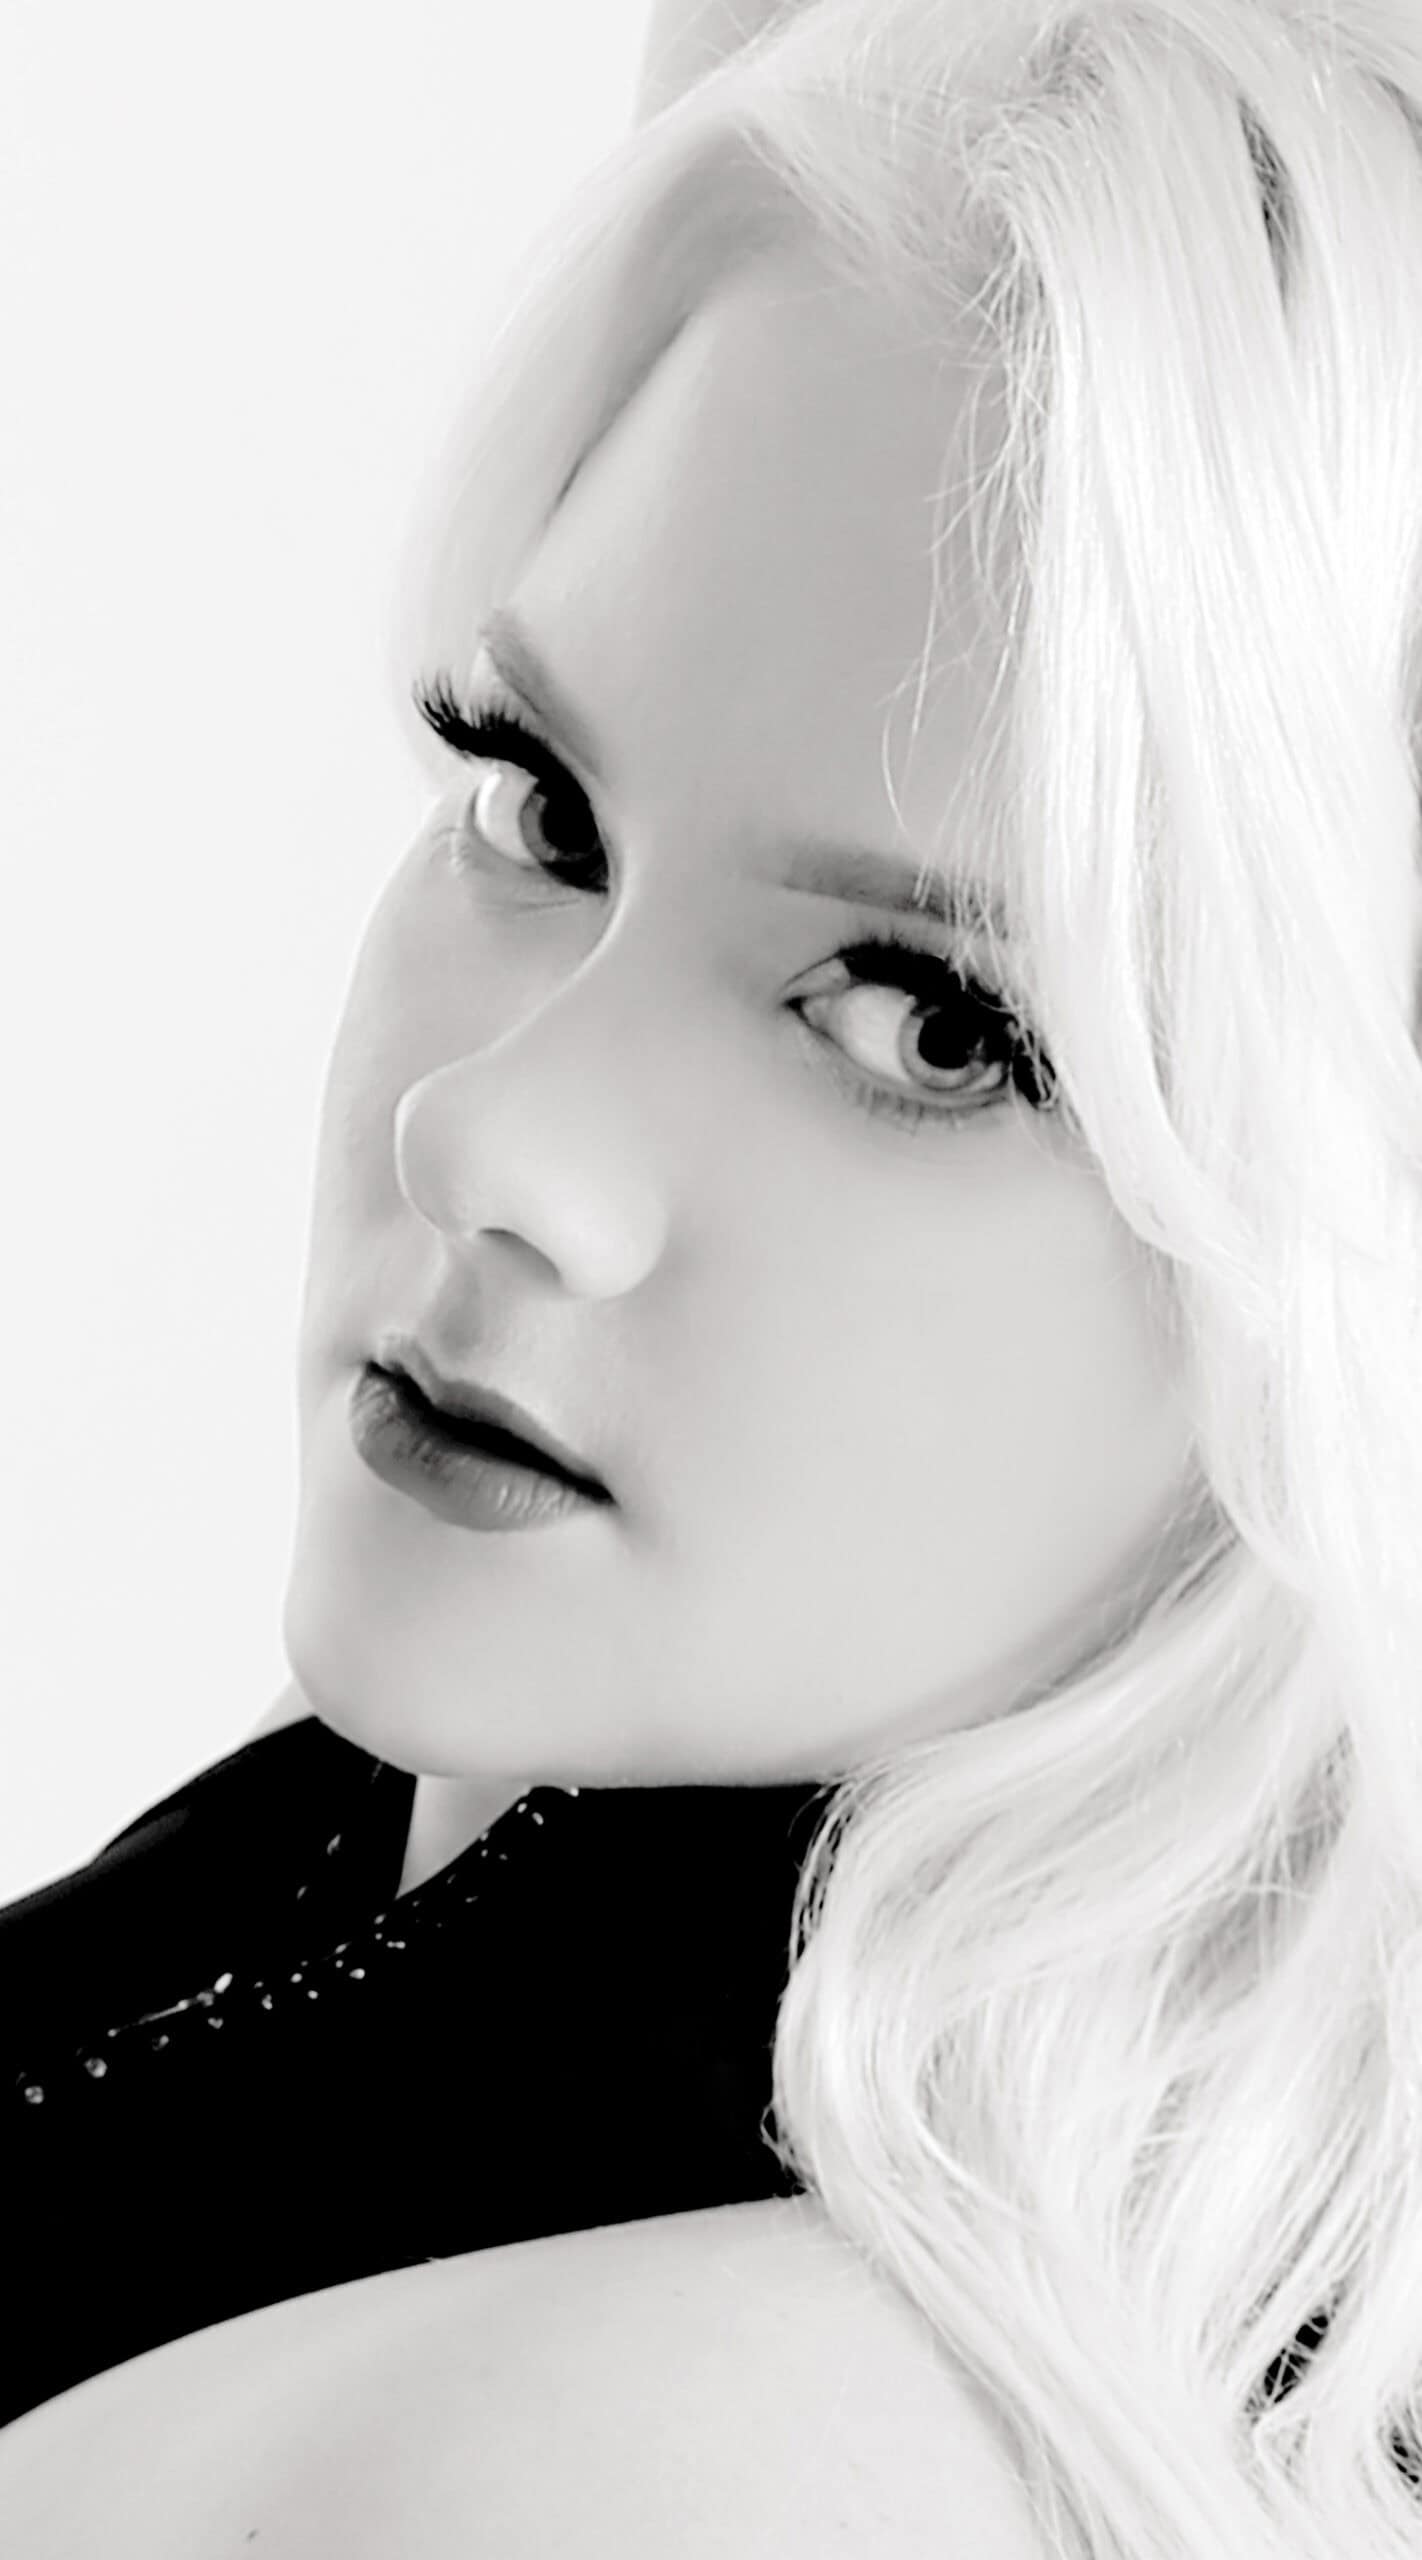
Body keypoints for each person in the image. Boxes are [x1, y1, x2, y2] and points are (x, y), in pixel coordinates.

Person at [2, 0, 1421, 2550]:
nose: (491, 1132)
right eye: (539, 806)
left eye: (932, 1019)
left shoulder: (609, 2478)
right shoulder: (379, 1878)